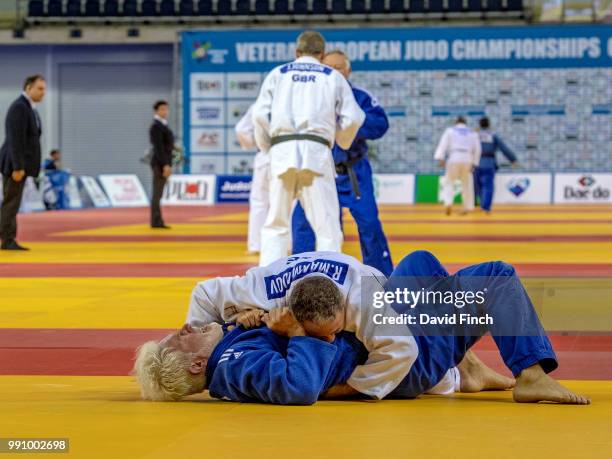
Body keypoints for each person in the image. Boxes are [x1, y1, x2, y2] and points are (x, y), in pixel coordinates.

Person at [134, 252, 590, 405]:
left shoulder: (233, 328)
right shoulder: (234, 366)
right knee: (496, 276)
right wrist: (295, 337)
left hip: (380, 315)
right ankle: (528, 375)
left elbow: (203, 299)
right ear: (196, 361)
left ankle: (464, 371)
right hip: (402, 360)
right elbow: (298, 385)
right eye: (179, 337)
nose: (182, 327)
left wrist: (233, 319)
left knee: (419, 263)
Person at [252, 31, 365, 267]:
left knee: (276, 224)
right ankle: (330, 287)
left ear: (296, 52)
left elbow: (260, 116)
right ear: (322, 54)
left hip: (282, 151)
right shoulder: (331, 76)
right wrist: (341, 140)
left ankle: (265, 289)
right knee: (326, 226)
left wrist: (267, 148)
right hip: (317, 152)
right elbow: (354, 117)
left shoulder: (277, 74)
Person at [291, 50, 393, 277]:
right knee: (303, 222)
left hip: (353, 170)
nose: (334, 72)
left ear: (348, 71)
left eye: (338, 68)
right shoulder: (307, 97)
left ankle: (381, 276)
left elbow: (380, 124)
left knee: (369, 223)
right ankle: (298, 275)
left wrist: (349, 127)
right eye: (329, 68)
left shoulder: (360, 97)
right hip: (317, 171)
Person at [0, 75, 46, 251]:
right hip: (14, 164)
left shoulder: (29, 108)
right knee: (11, 203)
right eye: (40, 89)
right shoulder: (20, 107)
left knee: (13, 202)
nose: (43, 93)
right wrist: (18, 167)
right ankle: (7, 239)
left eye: (44, 89)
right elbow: (16, 140)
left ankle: (8, 237)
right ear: (28, 88)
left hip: (19, 163)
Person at [235, 105, 270, 255]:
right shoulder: (296, 99)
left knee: (259, 203)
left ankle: (256, 245)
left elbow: (240, 129)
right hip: (289, 157)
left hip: (264, 155)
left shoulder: (259, 105)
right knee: (287, 203)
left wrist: (252, 143)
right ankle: (287, 244)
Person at [434, 116, 481, 216]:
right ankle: (466, 207)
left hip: (454, 157)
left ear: (456, 122)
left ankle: (448, 203)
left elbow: (443, 144)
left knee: (449, 181)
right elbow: (477, 149)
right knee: (467, 184)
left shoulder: (450, 131)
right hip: (468, 158)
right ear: (465, 123)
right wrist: (475, 163)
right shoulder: (472, 133)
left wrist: (440, 157)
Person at [475, 117, 519, 214]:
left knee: (479, 186)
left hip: (476, 163)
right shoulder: (493, 135)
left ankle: (481, 204)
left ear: (480, 125)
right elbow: (504, 148)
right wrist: (513, 159)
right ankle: (486, 207)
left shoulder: (475, 135)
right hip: (489, 163)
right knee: (488, 186)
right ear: (489, 124)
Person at [149, 100, 174, 229]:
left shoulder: (163, 125)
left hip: (164, 162)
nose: (165, 111)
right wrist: (165, 165)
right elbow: (159, 148)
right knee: (157, 193)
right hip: (159, 163)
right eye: (162, 109)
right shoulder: (156, 126)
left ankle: (157, 220)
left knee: (159, 193)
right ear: (156, 111)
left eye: (166, 109)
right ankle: (155, 220)